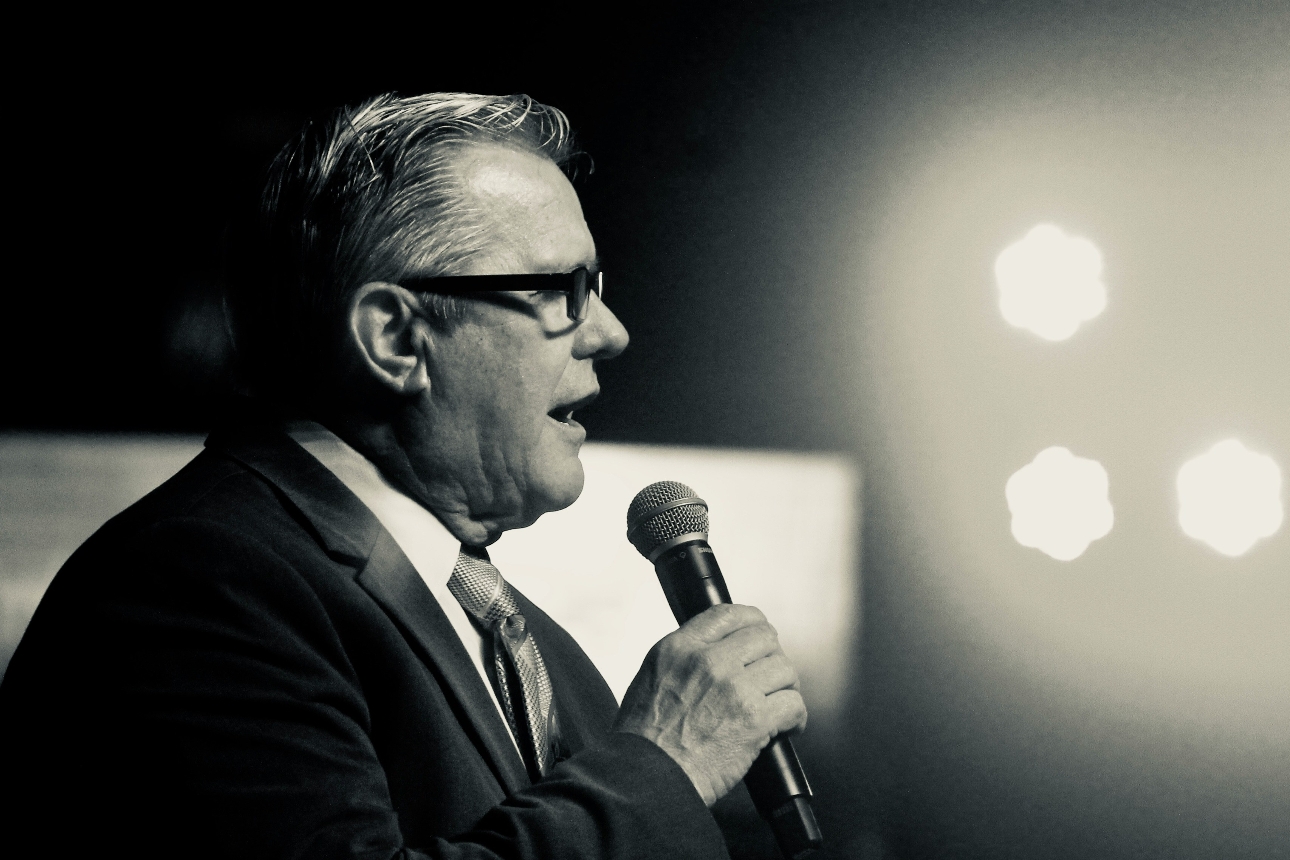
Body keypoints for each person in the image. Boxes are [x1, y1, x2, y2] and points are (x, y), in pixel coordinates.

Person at [0, 93, 807, 859]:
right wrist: (665, 765)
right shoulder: (194, 583)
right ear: (395, 337)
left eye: (596, 288)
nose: (610, 332)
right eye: (562, 289)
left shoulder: (537, 644)